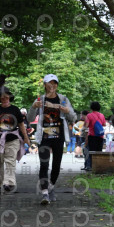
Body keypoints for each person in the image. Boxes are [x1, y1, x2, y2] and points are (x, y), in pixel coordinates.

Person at [27, 74, 77, 204]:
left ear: (57, 85)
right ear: (45, 85)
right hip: (44, 137)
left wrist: (67, 111)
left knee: (56, 165)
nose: (52, 86)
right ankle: (44, 193)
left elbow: (73, 117)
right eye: (49, 83)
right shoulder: (40, 100)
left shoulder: (63, 99)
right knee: (44, 164)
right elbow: (29, 119)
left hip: (58, 137)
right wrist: (34, 107)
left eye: (55, 83)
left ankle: (51, 187)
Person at [0, 84, 31, 192]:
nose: (4, 98)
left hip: (13, 139)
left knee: (10, 161)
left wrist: (26, 138)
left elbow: (21, 125)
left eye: (6, 96)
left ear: (9, 97)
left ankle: (9, 183)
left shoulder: (15, 109)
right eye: (2, 97)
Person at [83, 102, 106, 171]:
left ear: (91, 107)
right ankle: (98, 167)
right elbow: (104, 124)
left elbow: (86, 125)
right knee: (99, 151)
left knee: (92, 151)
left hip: (92, 136)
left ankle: (92, 167)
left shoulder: (89, 115)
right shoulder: (102, 115)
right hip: (100, 136)